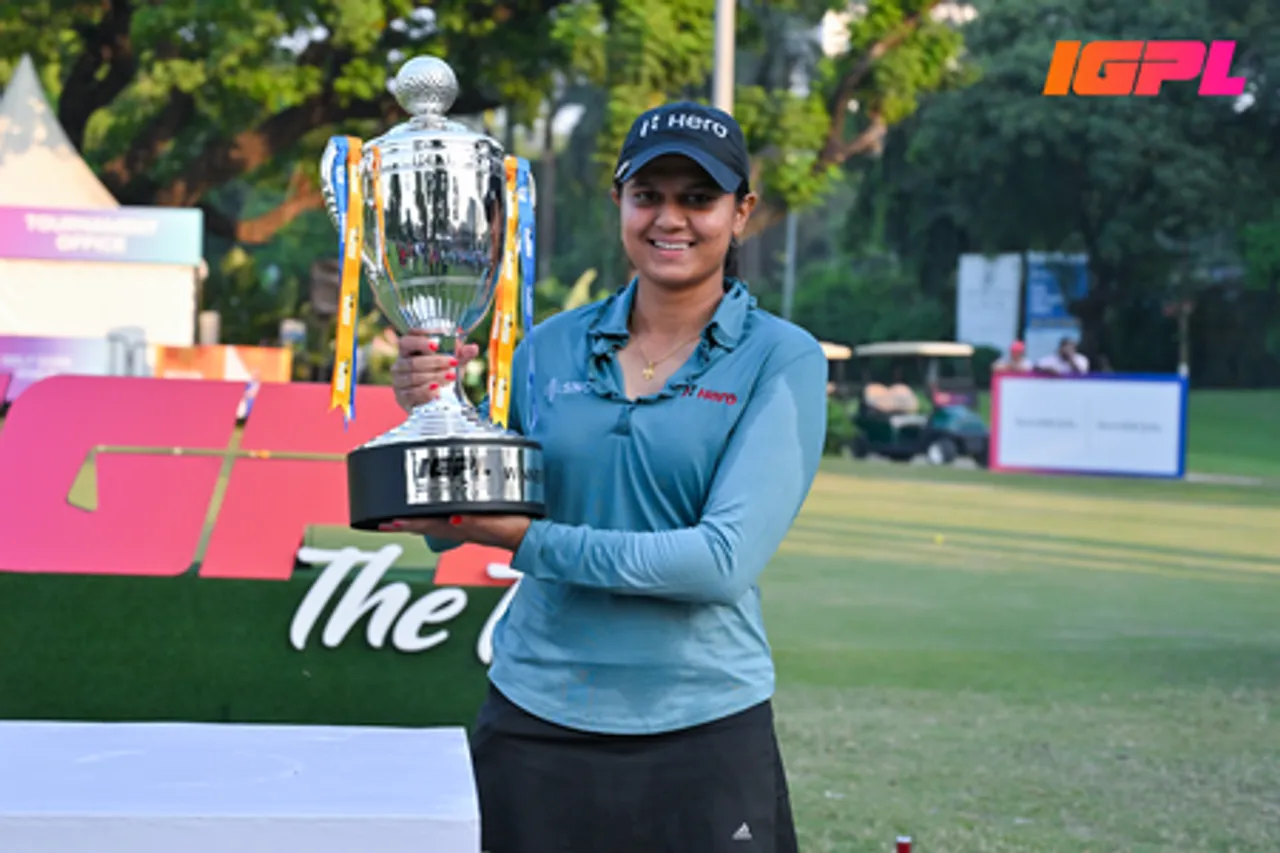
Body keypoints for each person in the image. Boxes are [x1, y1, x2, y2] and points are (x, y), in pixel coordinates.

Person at [382, 101, 828, 853]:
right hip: (537, 715)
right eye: (648, 194)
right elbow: (457, 527)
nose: (670, 219)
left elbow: (719, 564)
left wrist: (525, 540)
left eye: (698, 197)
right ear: (619, 201)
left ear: (741, 211)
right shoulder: (546, 348)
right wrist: (434, 417)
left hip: (703, 724)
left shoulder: (782, 359)